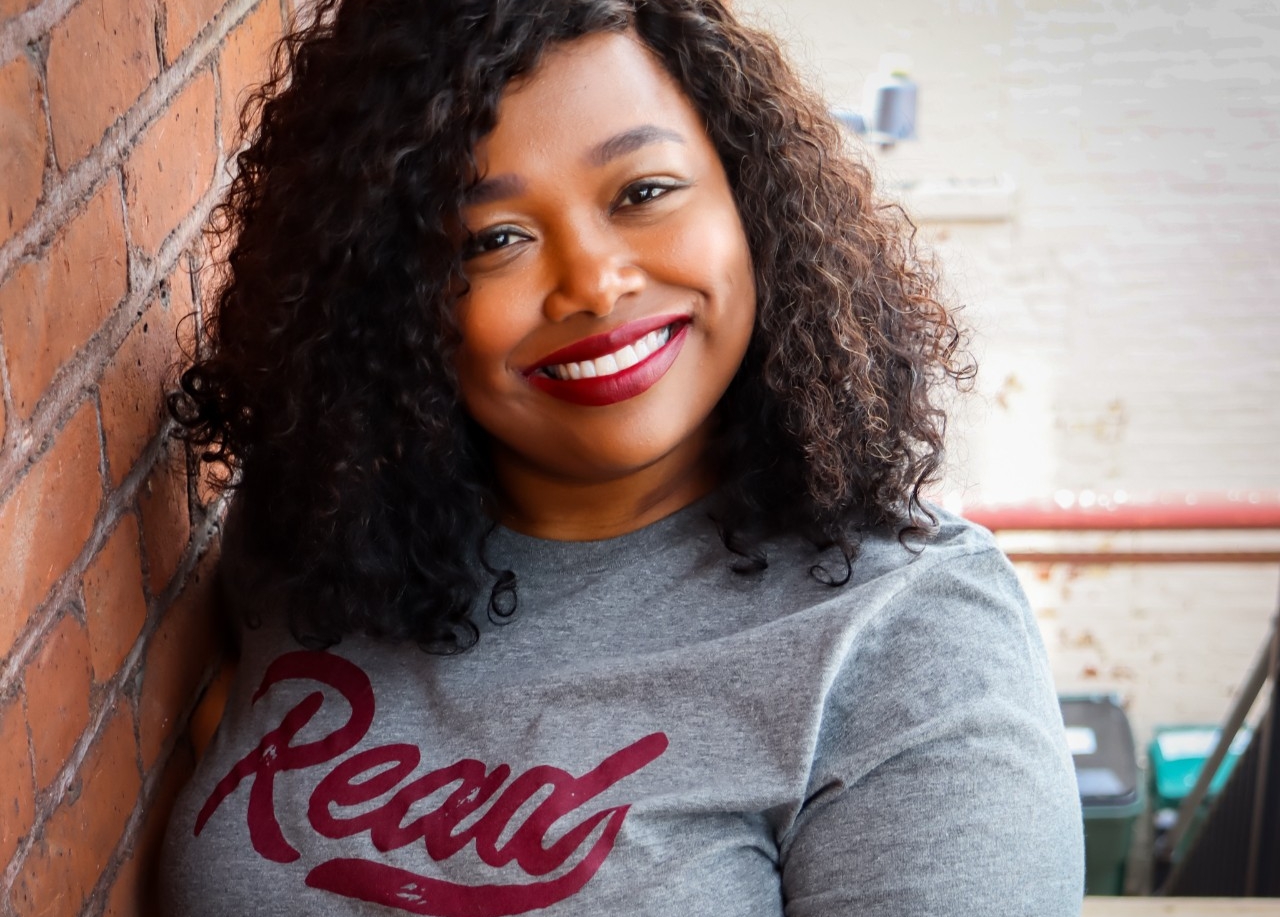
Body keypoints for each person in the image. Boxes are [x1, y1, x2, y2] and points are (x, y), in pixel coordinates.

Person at [159, 0, 1085, 913]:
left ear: (747, 200)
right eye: (494, 240)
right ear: (389, 297)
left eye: (643, 193)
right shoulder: (321, 529)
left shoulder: (908, 640)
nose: (596, 283)